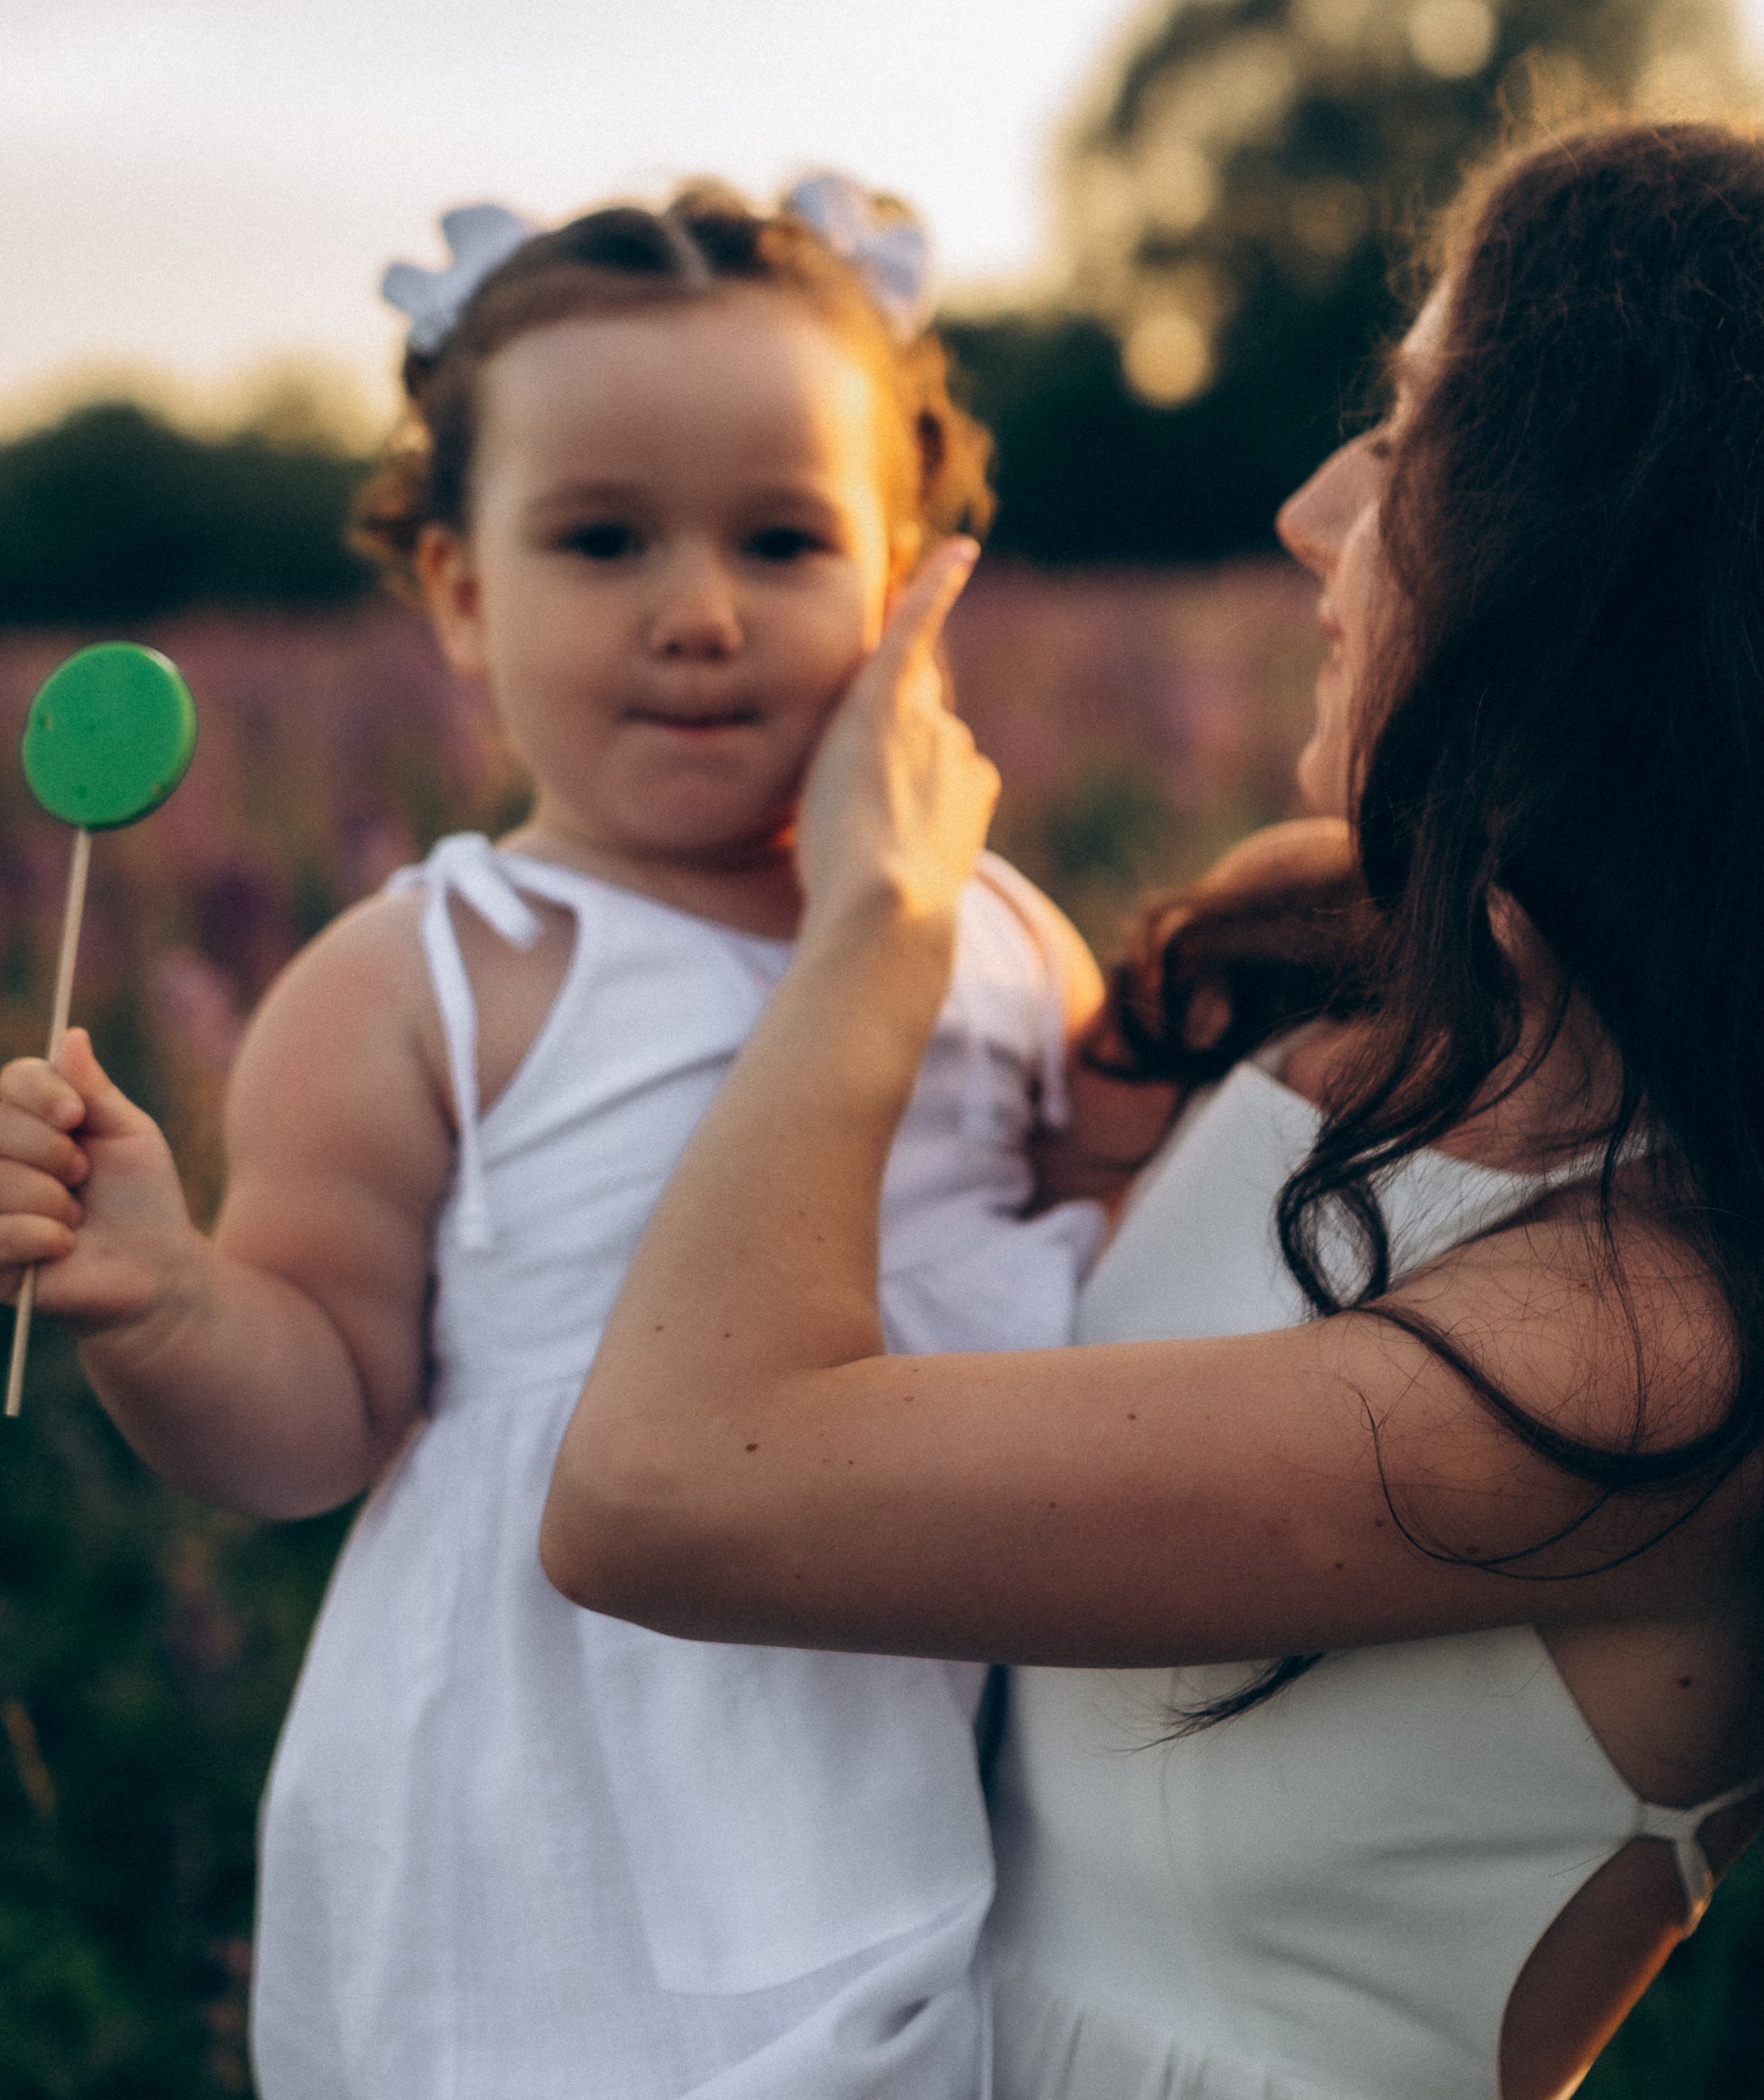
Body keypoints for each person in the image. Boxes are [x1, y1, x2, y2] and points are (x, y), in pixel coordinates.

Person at [541, 122, 1764, 2100]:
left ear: (1602, 561)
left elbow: (667, 1487)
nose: (1312, 508)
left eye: (1414, 430)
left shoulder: (1642, 1356)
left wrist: (879, 922)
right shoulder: (1327, 951)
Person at [0, 176, 1103, 2100]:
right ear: (458, 588)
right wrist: (167, 1300)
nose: (697, 612)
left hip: (966, 1717)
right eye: (602, 541)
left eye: (784, 538)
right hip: (563, 1800)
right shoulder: (432, 973)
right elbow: (317, 1413)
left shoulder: (995, 935)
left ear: (914, 570)